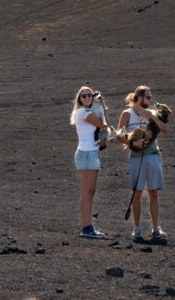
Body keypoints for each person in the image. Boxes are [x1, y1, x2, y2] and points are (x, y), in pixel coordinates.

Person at [117, 85, 169, 240]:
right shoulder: (127, 114)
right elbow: (119, 135)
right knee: (137, 192)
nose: (150, 100)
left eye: (150, 97)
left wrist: (153, 117)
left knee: (153, 191)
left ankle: (155, 228)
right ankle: (137, 228)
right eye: (148, 97)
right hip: (136, 157)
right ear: (139, 98)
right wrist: (132, 143)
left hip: (152, 155)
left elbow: (165, 129)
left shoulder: (152, 113)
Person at [70, 85, 110, 238]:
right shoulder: (83, 112)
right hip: (86, 154)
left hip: (90, 153)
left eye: (90, 95)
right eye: (84, 96)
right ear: (79, 99)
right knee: (87, 193)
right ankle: (86, 227)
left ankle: (87, 226)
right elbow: (102, 124)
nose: (87, 98)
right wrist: (103, 109)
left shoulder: (88, 112)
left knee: (90, 192)